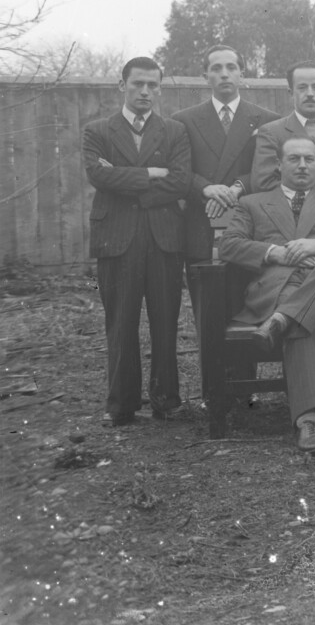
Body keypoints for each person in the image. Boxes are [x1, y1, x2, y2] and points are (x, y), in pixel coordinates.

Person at [219, 135, 315, 454]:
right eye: (294, 159)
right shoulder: (253, 203)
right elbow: (229, 244)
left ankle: (281, 319)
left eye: (309, 159)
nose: (302, 165)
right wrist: (276, 252)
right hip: (280, 288)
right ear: (279, 164)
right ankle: (307, 422)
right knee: (302, 323)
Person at [83, 56, 191, 426]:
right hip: (116, 239)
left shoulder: (174, 131)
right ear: (122, 86)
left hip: (163, 238)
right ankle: (122, 405)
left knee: (166, 321)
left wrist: (129, 181)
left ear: (159, 88)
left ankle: (166, 399)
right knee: (120, 322)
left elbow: (179, 181)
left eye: (153, 85)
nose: (145, 91)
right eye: (137, 84)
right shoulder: (97, 131)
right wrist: (150, 173)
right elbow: (99, 176)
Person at [173, 45, 279, 327]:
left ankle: (246, 371)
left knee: (247, 314)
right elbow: (179, 172)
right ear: (205, 75)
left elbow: (267, 171)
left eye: (231, 67)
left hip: (250, 230)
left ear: (242, 73)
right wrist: (206, 188)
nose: (224, 74)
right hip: (201, 227)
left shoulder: (267, 120)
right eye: (216, 69)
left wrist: (238, 187)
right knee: (208, 318)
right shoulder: (184, 120)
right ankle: (212, 371)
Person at [253, 62, 315, 193]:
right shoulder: (272, 132)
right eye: (302, 87)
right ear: (291, 92)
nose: (310, 94)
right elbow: (264, 183)